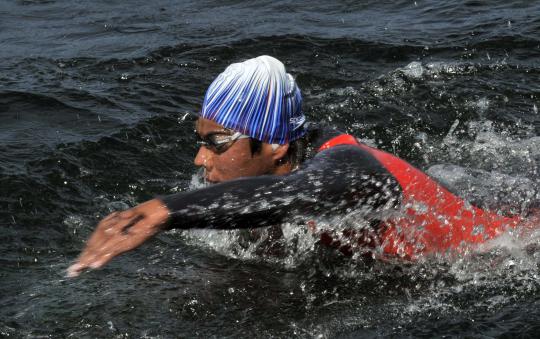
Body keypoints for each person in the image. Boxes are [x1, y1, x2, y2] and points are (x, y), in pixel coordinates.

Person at [67, 55, 530, 277]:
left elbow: (291, 197)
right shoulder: (283, 166)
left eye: (216, 144)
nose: (200, 159)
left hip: (505, 255)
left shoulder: (351, 170)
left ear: (275, 148)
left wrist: (165, 212)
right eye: (200, 142)